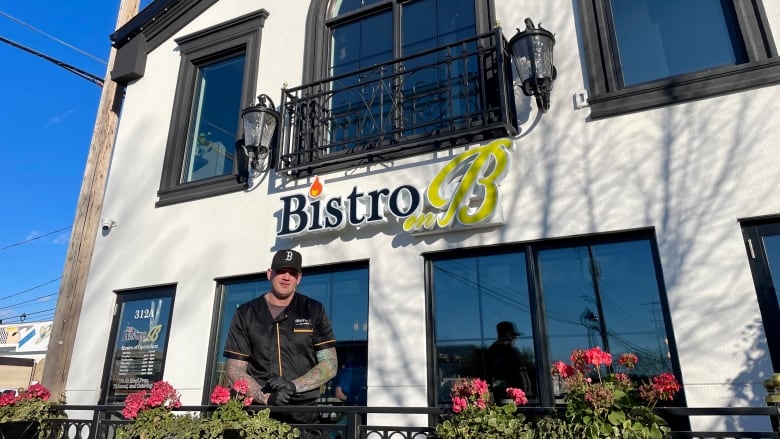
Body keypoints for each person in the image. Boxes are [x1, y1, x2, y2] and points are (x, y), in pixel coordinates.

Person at [223, 249, 338, 437]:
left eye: (292, 273)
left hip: (304, 414)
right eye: (281, 271)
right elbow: (234, 370)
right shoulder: (246, 313)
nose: (286, 277)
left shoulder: (313, 310)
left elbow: (330, 364)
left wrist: (293, 386)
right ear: (270, 274)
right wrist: (266, 398)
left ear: (299, 278)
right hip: (259, 415)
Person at [485, 321, 529, 402]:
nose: (515, 339)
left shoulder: (490, 351)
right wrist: (525, 395)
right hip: (514, 398)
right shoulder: (512, 351)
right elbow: (522, 377)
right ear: (509, 336)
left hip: (496, 399)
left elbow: (487, 377)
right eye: (514, 336)